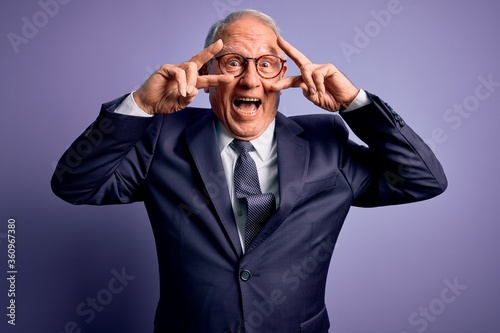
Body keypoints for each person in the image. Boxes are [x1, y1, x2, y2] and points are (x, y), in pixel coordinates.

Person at [51, 9, 447, 333]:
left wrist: (355, 104)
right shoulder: (162, 139)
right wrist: (139, 104)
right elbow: (74, 184)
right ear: (206, 77)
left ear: (282, 75)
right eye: (234, 62)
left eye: (266, 64)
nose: (250, 78)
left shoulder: (327, 143)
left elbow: (423, 179)